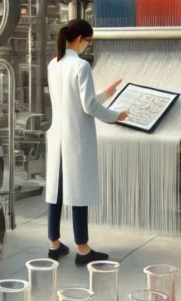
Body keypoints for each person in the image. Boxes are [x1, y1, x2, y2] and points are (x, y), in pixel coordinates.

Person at [46, 19, 128, 265]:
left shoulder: (54, 64)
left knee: (57, 190)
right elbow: (88, 106)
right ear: (81, 39)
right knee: (78, 191)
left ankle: (54, 244)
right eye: (89, 42)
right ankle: (82, 249)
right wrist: (116, 116)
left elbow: (74, 99)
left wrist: (106, 92)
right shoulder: (81, 66)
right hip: (76, 137)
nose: (88, 47)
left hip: (58, 135)